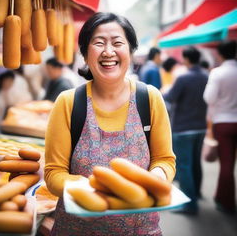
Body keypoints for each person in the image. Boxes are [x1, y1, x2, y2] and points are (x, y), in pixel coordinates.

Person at [45, 12, 176, 235]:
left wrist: (155, 178)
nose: (108, 51)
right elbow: (53, 173)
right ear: (85, 54)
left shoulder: (150, 98)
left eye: (117, 43)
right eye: (98, 43)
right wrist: (92, 189)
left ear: (131, 52)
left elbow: (165, 160)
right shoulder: (68, 102)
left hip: (140, 229)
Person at [164, 46, 208, 214]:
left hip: (183, 126)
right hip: (200, 126)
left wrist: (166, 90)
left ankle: (189, 204)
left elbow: (171, 97)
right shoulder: (206, 75)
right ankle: (196, 193)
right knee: (196, 162)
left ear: (187, 59)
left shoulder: (183, 78)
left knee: (184, 165)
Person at [203, 40, 237, 215]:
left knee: (226, 163)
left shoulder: (218, 73)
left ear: (220, 54)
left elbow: (209, 98)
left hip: (223, 122)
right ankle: (222, 196)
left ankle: (226, 201)